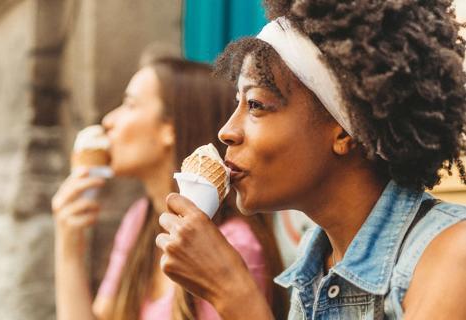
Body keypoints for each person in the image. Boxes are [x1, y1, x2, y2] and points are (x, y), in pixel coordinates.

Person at [156, 1, 466, 319]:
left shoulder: (452, 256)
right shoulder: (316, 264)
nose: (226, 131)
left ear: (345, 132)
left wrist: (233, 293)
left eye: (255, 104)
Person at [52, 57, 288, 320]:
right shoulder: (140, 219)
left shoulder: (234, 244)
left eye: (129, 104)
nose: (108, 120)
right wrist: (69, 248)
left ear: (170, 128)